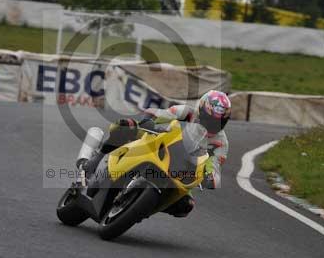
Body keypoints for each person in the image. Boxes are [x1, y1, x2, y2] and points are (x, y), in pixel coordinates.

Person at [78, 90, 232, 218]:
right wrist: (149, 121)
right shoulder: (186, 112)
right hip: (156, 144)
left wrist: (210, 176)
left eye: (218, 122)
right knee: (123, 127)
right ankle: (91, 164)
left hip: (182, 170)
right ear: (201, 110)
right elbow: (161, 114)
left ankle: (140, 209)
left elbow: (215, 163)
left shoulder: (221, 142)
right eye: (208, 119)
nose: (211, 125)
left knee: (186, 206)